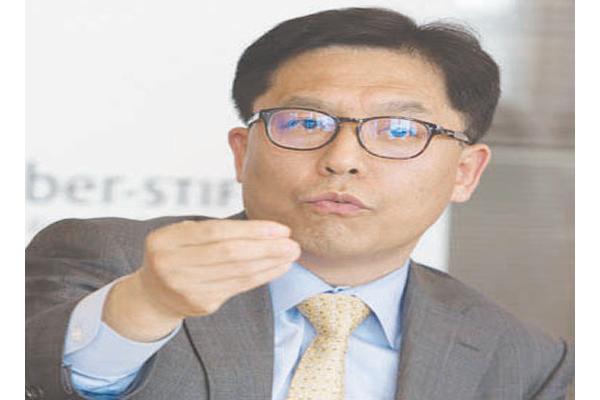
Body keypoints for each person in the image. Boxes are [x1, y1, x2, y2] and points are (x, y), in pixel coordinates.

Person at [25, 7, 574, 400]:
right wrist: (144, 305)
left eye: (399, 130)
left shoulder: (524, 361)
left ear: (464, 172)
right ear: (243, 152)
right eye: (305, 122)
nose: (343, 160)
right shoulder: (111, 259)